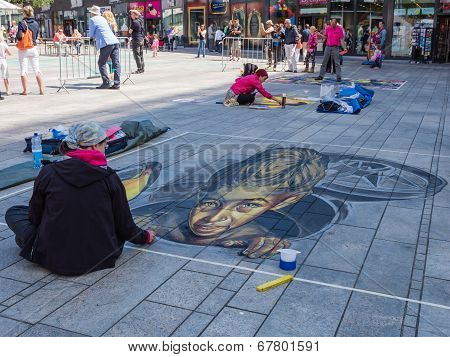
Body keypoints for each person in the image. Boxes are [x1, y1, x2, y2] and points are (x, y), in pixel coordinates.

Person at [5, 122, 156, 276]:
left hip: (53, 256)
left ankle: (31, 244)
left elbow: (34, 216)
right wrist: (146, 236)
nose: (106, 148)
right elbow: (125, 226)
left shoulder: (49, 172)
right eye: (105, 144)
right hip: (101, 256)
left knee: (14, 212)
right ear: (93, 147)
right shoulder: (109, 178)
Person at [88, 5, 120, 90]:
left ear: (92, 13)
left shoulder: (92, 19)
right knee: (116, 63)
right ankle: (117, 84)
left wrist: (93, 37)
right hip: (115, 41)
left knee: (101, 63)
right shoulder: (103, 19)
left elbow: (91, 34)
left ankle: (106, 83)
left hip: (106, 42)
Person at [16, 6, 44, 95]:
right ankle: (41, 90)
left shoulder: (22, 22)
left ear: (24, 13)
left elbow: (19, 36)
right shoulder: (36, 23)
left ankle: (25, 90)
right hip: (33, 47)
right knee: (37, 69)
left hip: (24, 49)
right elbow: (36, 35)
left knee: (23, 70)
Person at [129, 10, 145, 74]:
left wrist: (130, 30)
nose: (131, 16)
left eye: (132, 14)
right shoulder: (141, 21)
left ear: (135, 15)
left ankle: (139, 69)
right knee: (141, 54)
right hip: (141, 39)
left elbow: (130, 31)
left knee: (136, 55)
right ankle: (142, 68)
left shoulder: (134, 22)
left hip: (136, 39)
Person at [0, 31, 11, 95]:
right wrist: (5, 53)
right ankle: (7, 90)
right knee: (5, 76)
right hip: (3, 60)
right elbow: (10, 53)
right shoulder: (3, 43)